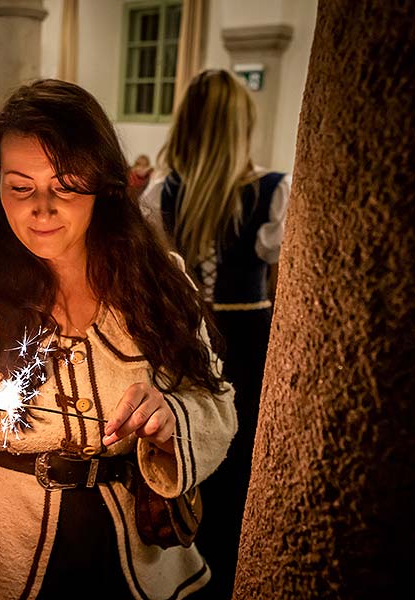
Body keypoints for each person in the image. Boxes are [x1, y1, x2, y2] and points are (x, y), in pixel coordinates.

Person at [0, 79, 237, 599]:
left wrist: (170, 420)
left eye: (65, 186)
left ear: (103, 185)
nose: (41, 208)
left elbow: (215, 400)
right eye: (20, 187)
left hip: (133, 554)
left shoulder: (157, 281)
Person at [140, 69, 291, 598]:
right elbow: (285, 272)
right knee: (246, 459)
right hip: (251, 340)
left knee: (198, 449)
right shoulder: (274, 191)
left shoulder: (161, 194)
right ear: (241, 125)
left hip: (188, 339)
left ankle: (192, 569)